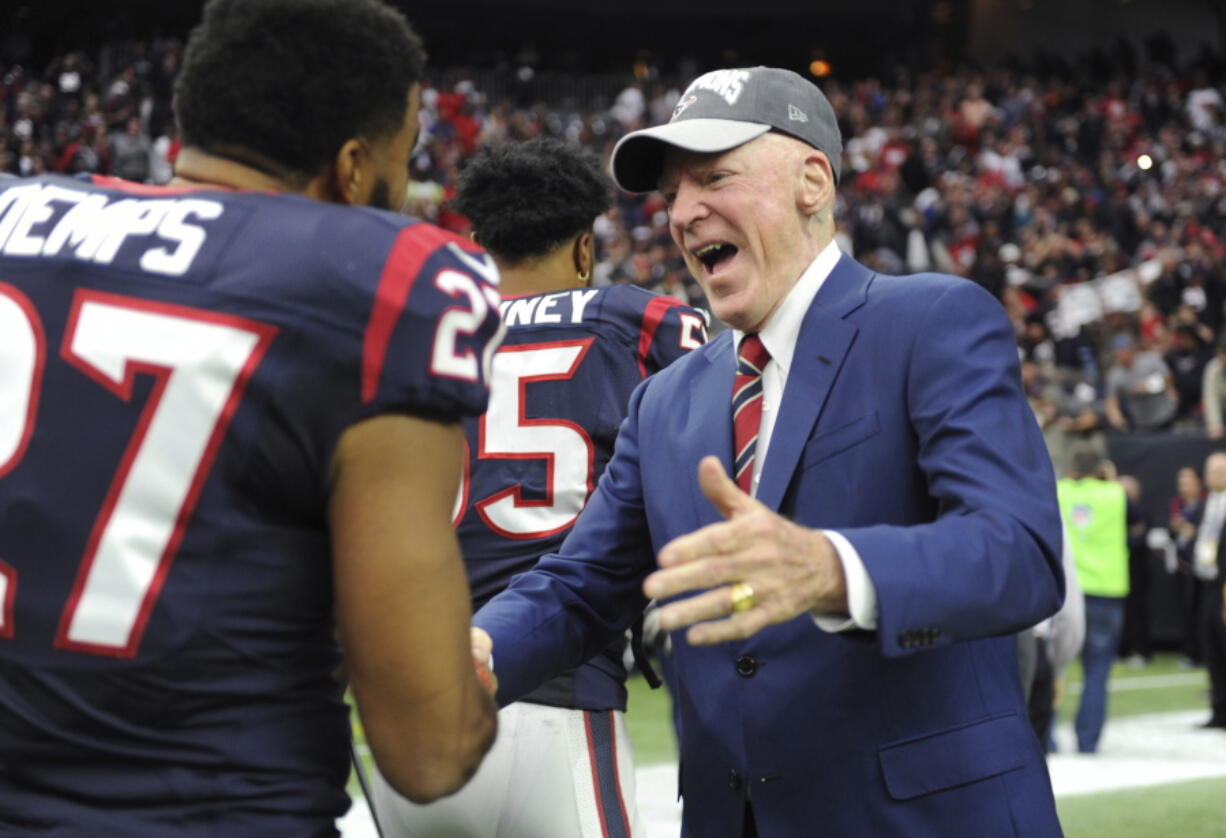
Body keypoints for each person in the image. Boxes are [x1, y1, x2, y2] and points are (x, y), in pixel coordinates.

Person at [473, 66, 1065, 837]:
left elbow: (1019, 552)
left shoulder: (932, 321)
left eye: (714, 176)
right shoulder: (665, 401)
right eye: (674, 193)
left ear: (812, 181)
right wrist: (477, 651)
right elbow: (579, 586)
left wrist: (833, 569)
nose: (683, 213)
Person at [0, 0, 500, 833]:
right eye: (401, 155)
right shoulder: (371, 283)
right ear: (351, 165)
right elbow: (429, 750)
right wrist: (467, 692)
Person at [372, 137, 706, 836]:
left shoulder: (413, 338)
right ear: (584, 250)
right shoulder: (637, 322)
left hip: (412, 716)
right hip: (559, 691)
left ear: (474, 241)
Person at [1056, 448, 1129, 753]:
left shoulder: (1060, 492)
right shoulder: (1115, 494)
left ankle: (1045, 735)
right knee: (1097, 671)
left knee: (1054, 669)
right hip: (1107, 591)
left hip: (1068, 592)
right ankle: (1088, 741)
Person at [1188, 452, 1226, 729]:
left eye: (1218, 471)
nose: (1212, 476)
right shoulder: (1205, 504)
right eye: (1210, 470)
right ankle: (1218, 711)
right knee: (1212, 649)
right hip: (1206, 584)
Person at [1171, 465, 1208, 666]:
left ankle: (1203, 653)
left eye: (1187, 482)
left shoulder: (1206, 504)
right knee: (1186, 610)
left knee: (1203, 611)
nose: (1183, 487)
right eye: (1181, 483)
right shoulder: (1177, 504)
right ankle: (1191, 652)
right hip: (1183, 566)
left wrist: (1190, 531)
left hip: (1204, 569)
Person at [1103, 332, 1177, 433]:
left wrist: (1148, 386)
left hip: (1164, 416)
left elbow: (1168, 379)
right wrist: (1115, 415)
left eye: (1123, 349)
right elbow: (1112, 400)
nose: (1120, 353)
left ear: (1131, 349)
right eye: (1117, 350)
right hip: (1142, 422)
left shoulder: (1150, 359)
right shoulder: (1115, 374)